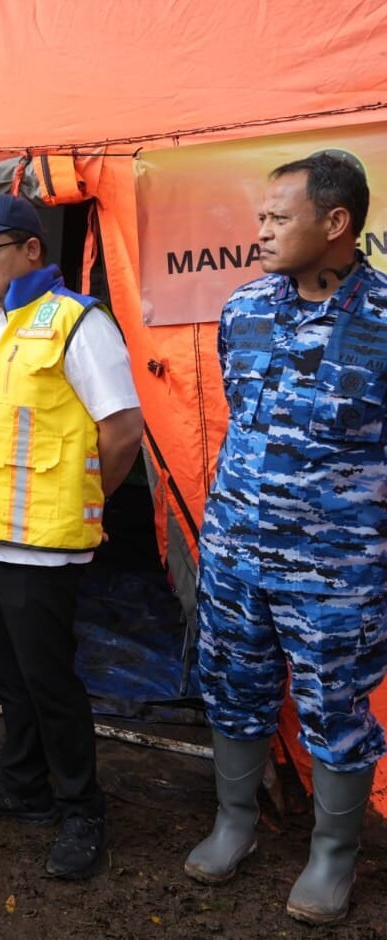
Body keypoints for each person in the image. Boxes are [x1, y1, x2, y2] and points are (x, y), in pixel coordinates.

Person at [184, 153, 387, 925]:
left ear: (336, 223)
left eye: (278, 217)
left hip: (337, 570)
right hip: (235, 555)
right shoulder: (244, 309)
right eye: (261, 216)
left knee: (335, 708)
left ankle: (333, 855)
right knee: (232, 689)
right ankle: (234, 822)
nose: (261, 230)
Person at [0, 195, 143, 880]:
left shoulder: (78, 322)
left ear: (31, 250)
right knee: (9, 673)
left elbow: (123, 433)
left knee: (49, 680)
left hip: (43, 542)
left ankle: (82, 809)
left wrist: (84, 501)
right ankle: (24, 785)